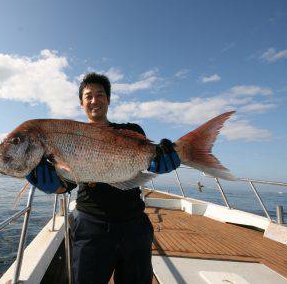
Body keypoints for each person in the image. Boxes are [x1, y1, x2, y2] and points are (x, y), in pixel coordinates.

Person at [26, 73, 180, 284]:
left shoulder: (132, 131)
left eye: (100, 95)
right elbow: (64, 187)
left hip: (134, 225)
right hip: (91, 227)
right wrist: (52, 186)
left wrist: (163, 159)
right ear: (82, 103)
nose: (94, 100)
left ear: (108, 100)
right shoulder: (70, 138)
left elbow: (147, 160)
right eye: (88, 96)